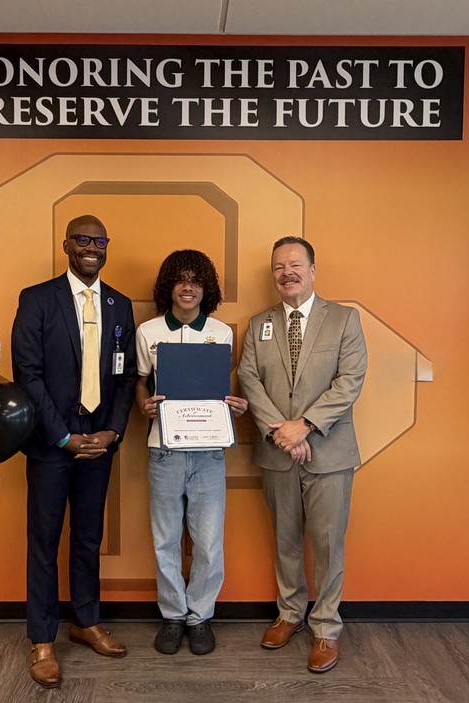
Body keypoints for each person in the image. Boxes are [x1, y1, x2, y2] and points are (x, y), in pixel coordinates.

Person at [11, 214, 137, 688]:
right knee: (44, 541)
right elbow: (28, 373)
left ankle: (86, 621)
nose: (92, 247)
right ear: (66, 245)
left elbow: (126, 377)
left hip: (98, 441)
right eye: (83, 239)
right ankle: (42, 638)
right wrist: (62, 436)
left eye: (100, 241)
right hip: (52, 442)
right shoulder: (37, 299)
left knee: (88, 537)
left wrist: (112, 432)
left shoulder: (120, 304)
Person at [237, 236, 366, 674]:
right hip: (278, 451)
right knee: (286, 539)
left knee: (328, 544)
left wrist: (305, 425)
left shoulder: (344, 319)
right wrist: (283, 433)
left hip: (330, 452)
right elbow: (249, 379)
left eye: (295, 264)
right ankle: (289, 614)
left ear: (312, 270)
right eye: (278, 267)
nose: (286, 273)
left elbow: (350, 380)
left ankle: (326, 627)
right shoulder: (259, 324)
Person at [135, 250, 247, 656]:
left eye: (196, 280)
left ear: (206, 288)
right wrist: (143, 404)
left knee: (209, 542)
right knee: (165, 539)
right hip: (163, 450)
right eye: (180, 279)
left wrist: (236, 406)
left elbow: (221, 390)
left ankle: (200, 616)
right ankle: (173, 616)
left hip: (209, 452)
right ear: (169, 286)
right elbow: (140, 382)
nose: (188, 287)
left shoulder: (221, 333)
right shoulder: (148, 331)